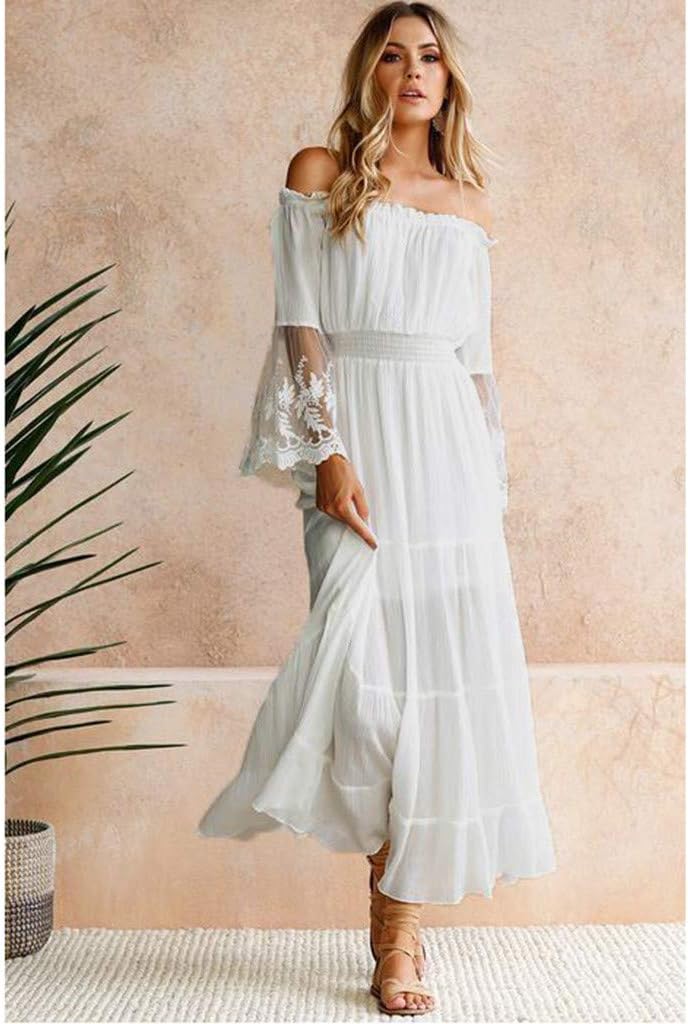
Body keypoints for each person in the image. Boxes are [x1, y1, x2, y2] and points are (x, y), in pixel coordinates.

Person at [198, 2, 557, 1015]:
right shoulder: (320, 172)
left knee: (438, 692)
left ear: (449, 77)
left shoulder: (469, 203)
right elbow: (300, 324)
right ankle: (387, 899)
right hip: (357, 444)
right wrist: (328, 450)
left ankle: (398, 934)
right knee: (366, 691)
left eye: (429, 56)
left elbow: (477, 365)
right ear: (370, 72)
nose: (413, 71)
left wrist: (489, 487)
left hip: (448, 457)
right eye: (393, 55)